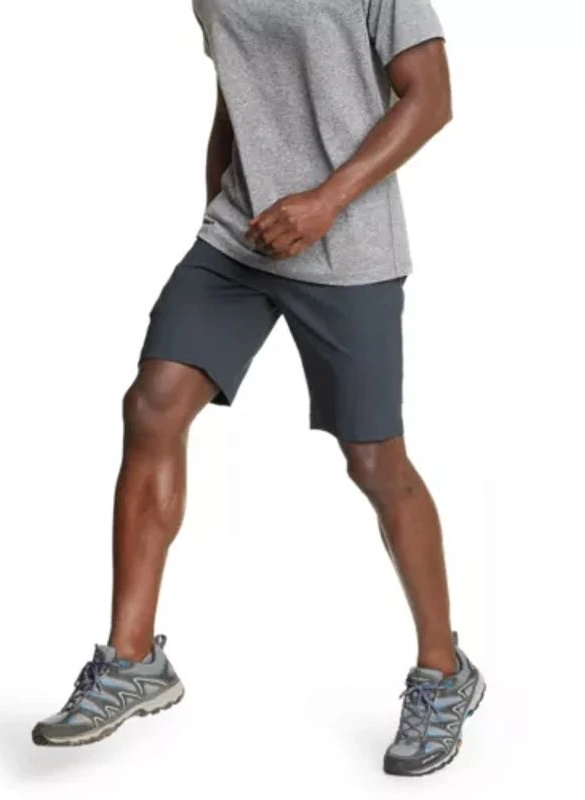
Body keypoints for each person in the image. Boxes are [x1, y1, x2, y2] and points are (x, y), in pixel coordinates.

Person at [32, 0, 485, 777]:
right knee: (152, 406)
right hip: (239, 240)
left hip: (349, 247)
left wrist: (326, 200)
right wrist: (217, 207)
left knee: (375, 462)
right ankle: (132, 659)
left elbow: (431, 97)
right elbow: (239, 96)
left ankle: (444, 671)